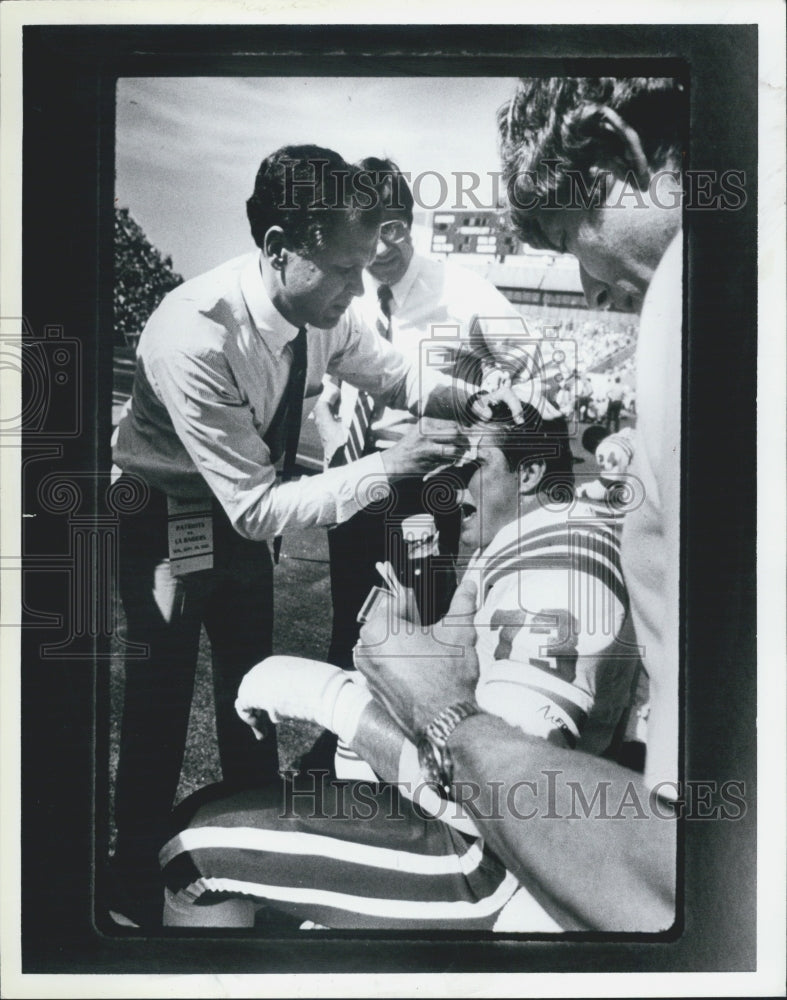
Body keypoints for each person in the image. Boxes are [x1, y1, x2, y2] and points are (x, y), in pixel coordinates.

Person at [108, 144, 509, 926]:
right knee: (159, 701)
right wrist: (391, 465)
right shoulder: (191, 331)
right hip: (164, 517)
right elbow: (255, 506)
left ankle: (253, 859)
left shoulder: (322, 311)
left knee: (249, 691)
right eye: (342, 270)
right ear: (277, 249)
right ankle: (133, 879)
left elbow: (397, 374)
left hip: (237, 519)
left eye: (365, 269)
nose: (359, 288)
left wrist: (480, 401)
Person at [337, 76, 684, 930]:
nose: (589, 284)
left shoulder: (682, 293)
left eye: (570, 235)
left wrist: (436, 710)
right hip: (392, 489)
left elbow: (673, 866)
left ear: (623, 155)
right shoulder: (353, 306)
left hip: (629, 870)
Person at [160, 401, 640, 931]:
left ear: (528, 474)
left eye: (474, 468)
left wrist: (333, 699)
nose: (455, 492)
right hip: (498, 833)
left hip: (492, 867)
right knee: (255, 808)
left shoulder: (553, 578)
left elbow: (505, 800)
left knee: (192, 847)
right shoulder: (537, 538)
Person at [313, 157, 534, 672]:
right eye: (369, 233)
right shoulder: (350, 289)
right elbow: (330, 392)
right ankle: (342, 743)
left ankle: (418, 744)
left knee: (420, 626)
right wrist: (333, 442)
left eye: (391, 230)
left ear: (407, 222)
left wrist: (481, 433)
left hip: (425, 488)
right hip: (355, 478)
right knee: (349, 617)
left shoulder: (461, 291)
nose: (381, 249)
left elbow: (531, 364)